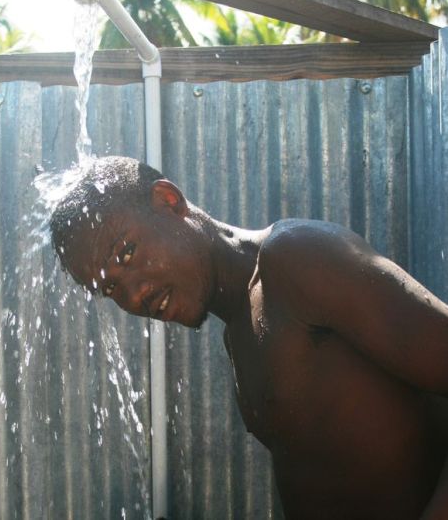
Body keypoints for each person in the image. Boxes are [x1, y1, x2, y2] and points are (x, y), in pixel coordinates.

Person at [50, 155, 448, 519]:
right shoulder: (242, 328)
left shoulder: (296, 260)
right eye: (111, 289)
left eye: (127, 253)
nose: (133, 295)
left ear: (169, 201)